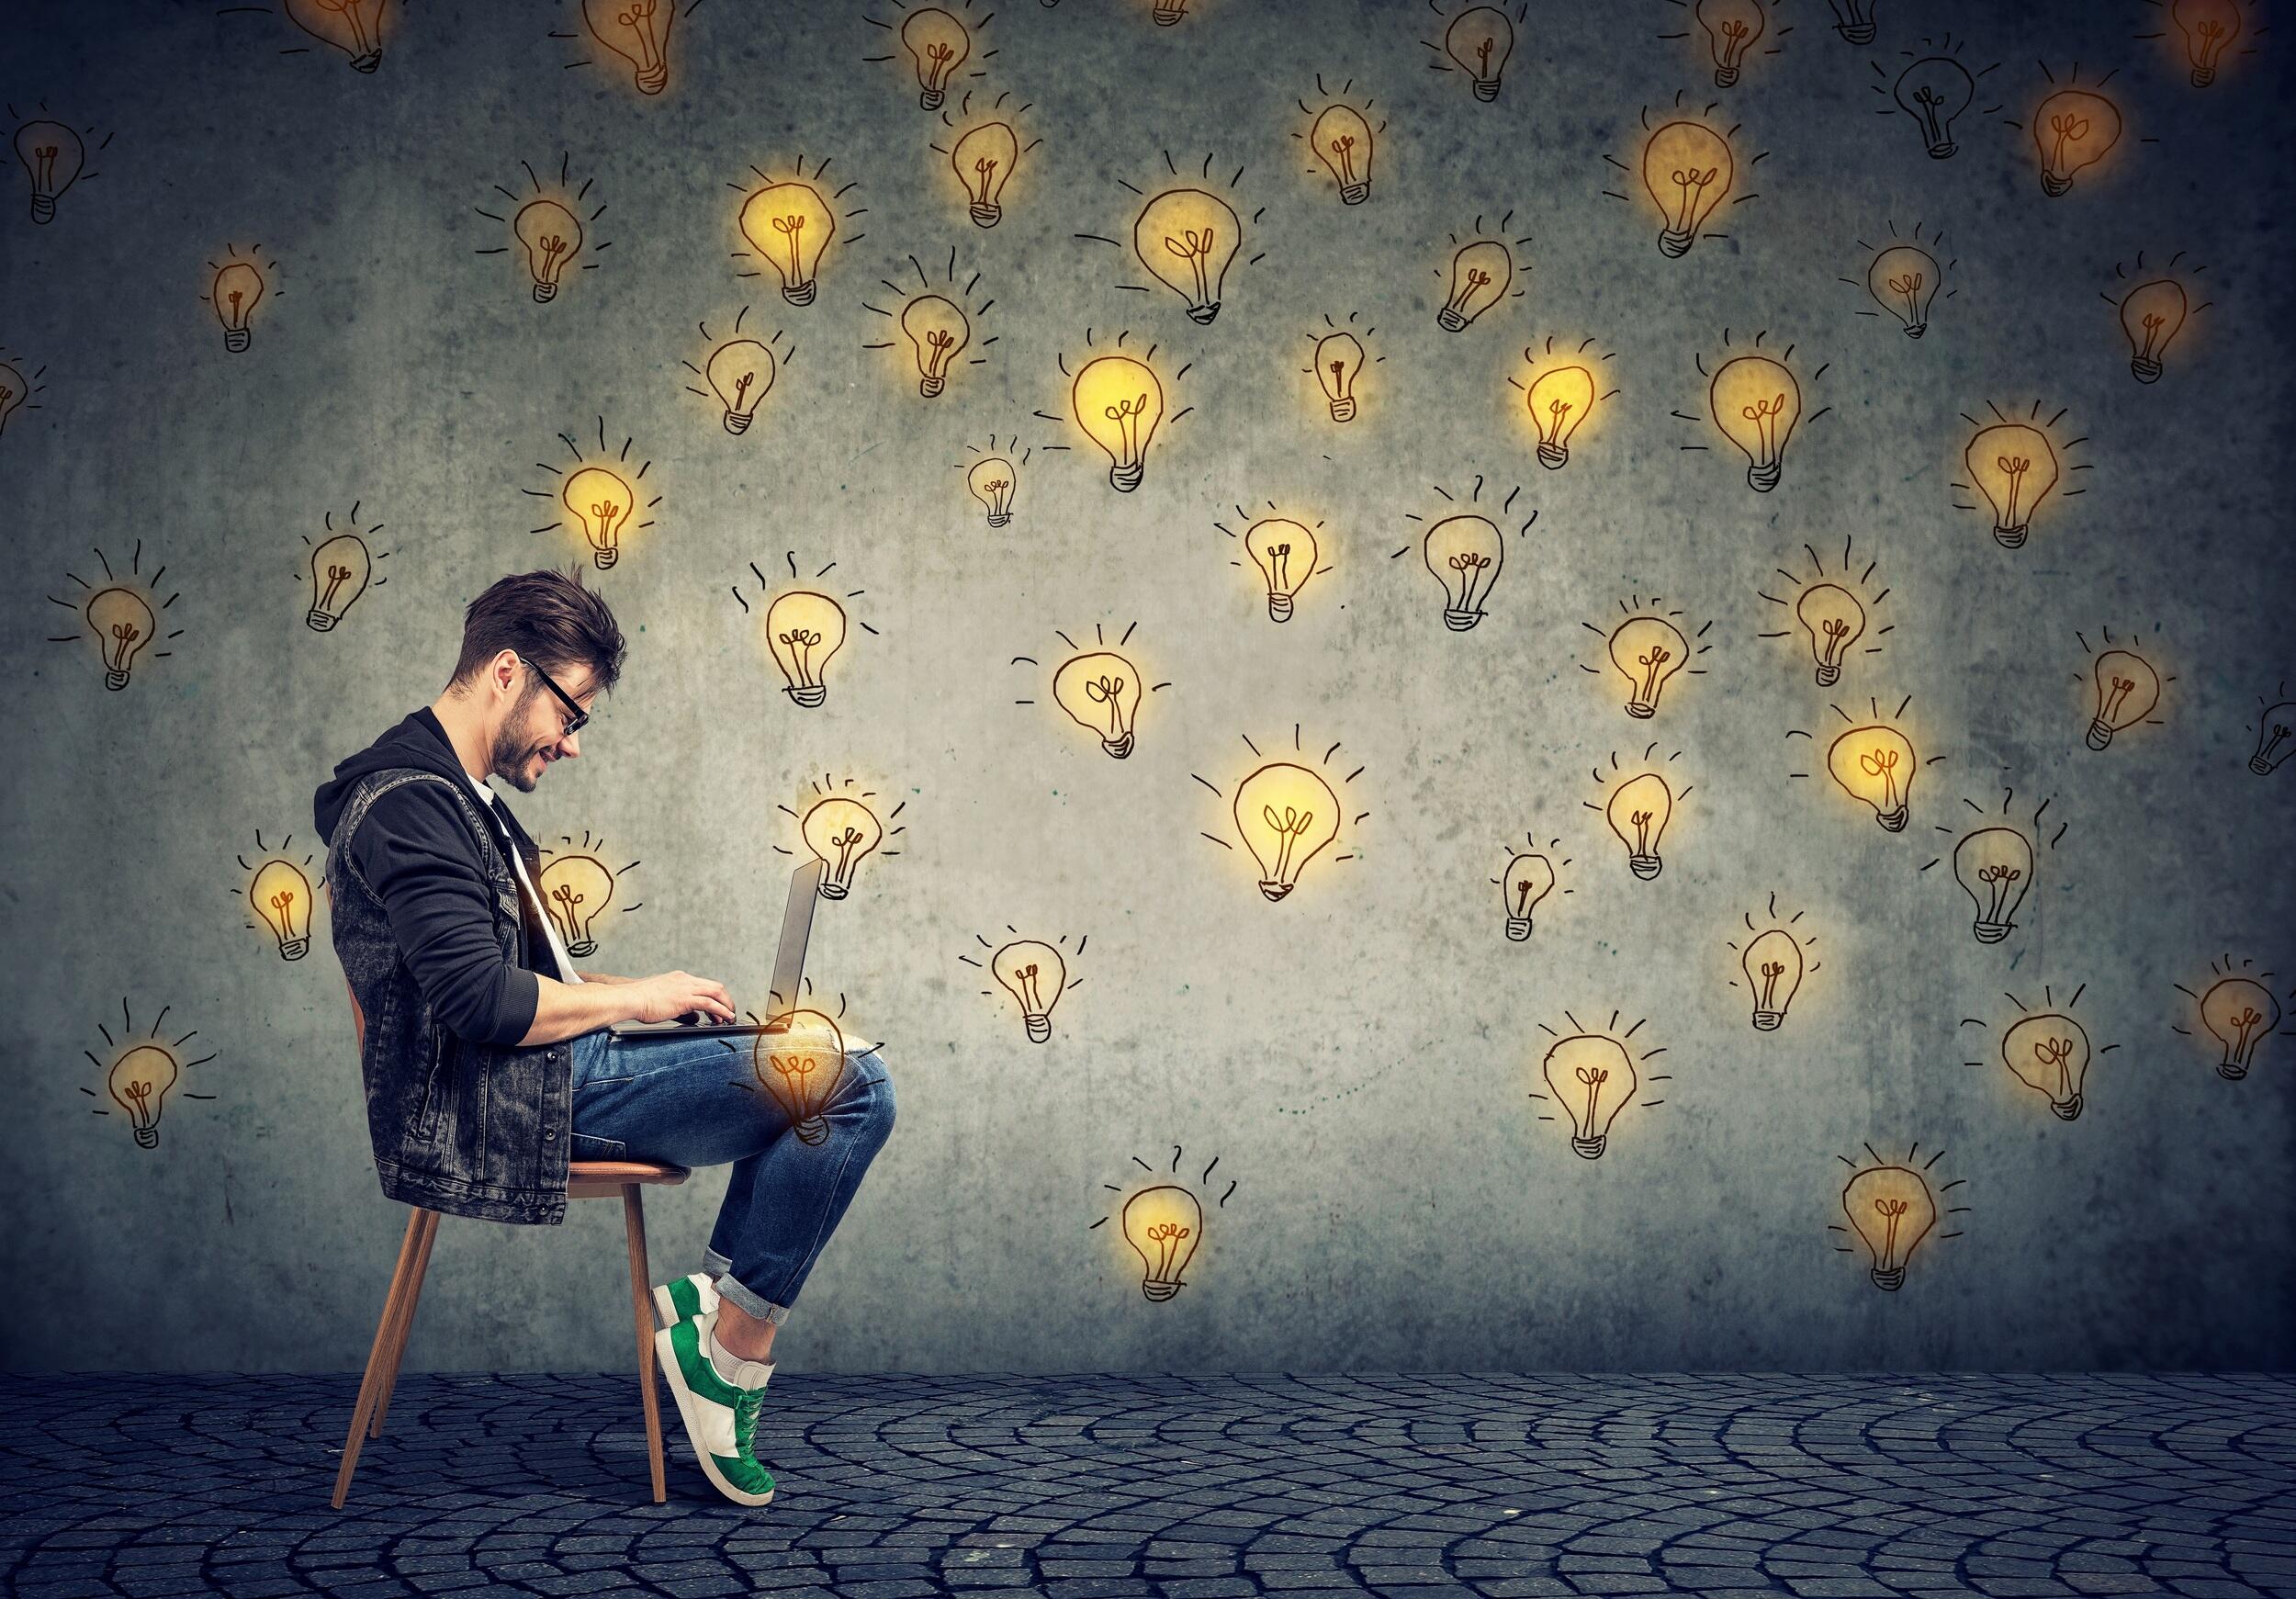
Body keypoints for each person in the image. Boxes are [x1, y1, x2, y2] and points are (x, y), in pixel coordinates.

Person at [312, 567, 895, 1508]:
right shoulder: (411, 804)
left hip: (539, 1074)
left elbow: (521, 976)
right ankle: (729, 1348)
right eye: (571, 712)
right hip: (501, 1101)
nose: (572, 744)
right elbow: (480, 1004)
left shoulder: (460, 799)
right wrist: (634, 1000)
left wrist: (645, 992)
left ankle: (714, 1320)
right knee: (850, 1084)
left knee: (816, 1072)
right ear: (507, 672)